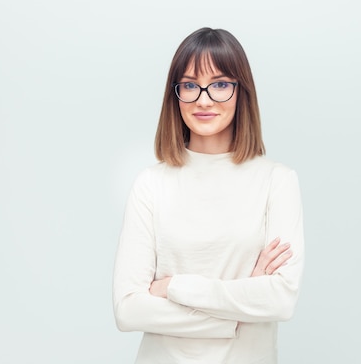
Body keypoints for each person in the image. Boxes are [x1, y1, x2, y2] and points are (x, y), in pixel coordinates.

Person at [112, 27, 304, 364]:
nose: (203, 99)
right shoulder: (150, 184)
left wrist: (174, 287)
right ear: (176, 95)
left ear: (241, 92)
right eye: (189, 85)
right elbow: (128, 309)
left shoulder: (277, 181)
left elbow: (280, 300)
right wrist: (241, 309)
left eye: (219, 84)